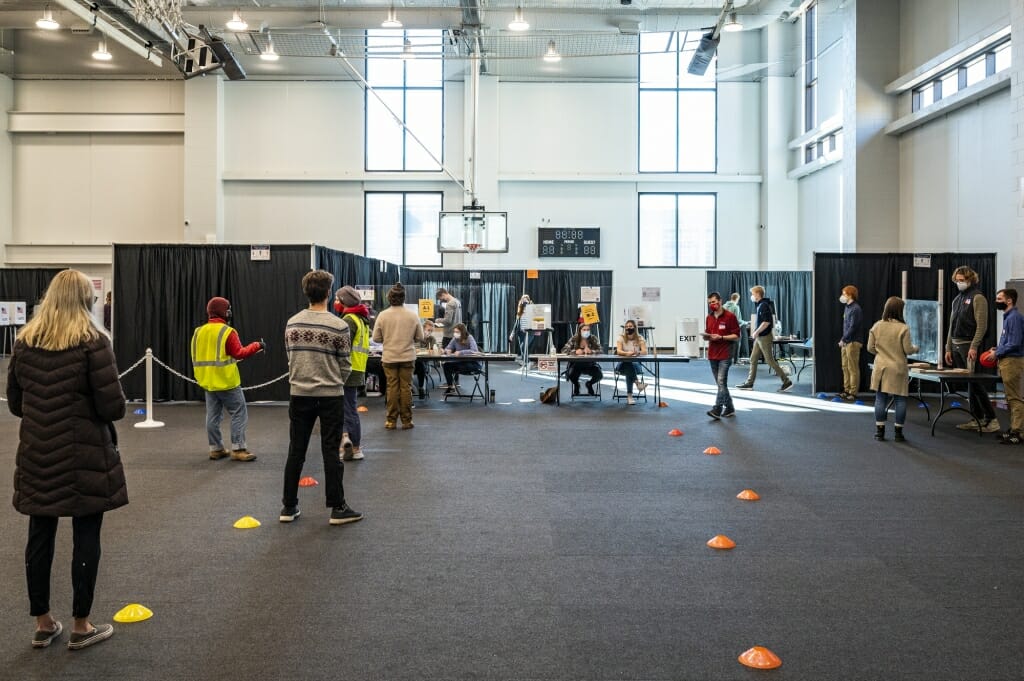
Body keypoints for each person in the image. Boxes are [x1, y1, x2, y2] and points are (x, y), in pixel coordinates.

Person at [6, 269, 127, 650]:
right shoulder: (94, 343)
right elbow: (114, 407)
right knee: (86, 535)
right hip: (85, 457)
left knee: (39, 535)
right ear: (86, 301)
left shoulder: (25, 343)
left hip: (38, 453)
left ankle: (43, 622)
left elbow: (15, 404)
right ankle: (81, 624)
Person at [281, 270, 361, 525]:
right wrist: (332, 378)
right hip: (330, 396)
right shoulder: (338, 326)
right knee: (330, 451)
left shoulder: (292, 323)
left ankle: (288, 506)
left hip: (299, 394)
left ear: (306, 292)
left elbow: (291, 357)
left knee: (296, 451)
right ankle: (337, 507)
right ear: (328, 293)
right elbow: (345, 365)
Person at [190, 296, 264, 462]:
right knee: (239, 412)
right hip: (226, 381)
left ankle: (215, 449)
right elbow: (239, 353)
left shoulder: (198, 332)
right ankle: (238, 448)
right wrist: (257, 346)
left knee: (212, 416)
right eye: (228, 308)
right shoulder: (227, 332)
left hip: (207, 381)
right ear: (225, 312)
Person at [944, 266, 999, 432]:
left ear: (970, 280)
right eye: (957, 280)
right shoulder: (957, 299)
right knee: (969, 384)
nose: (959, 283)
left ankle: (992, 419)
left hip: (968, 345)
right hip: (955, 344)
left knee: (975, 382)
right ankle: (977, 417)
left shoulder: (978, 298)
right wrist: (948, 347)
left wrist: (974, 346)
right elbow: (951, 325)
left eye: (962, 280)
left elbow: (982, 326)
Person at [867, 296, 919, 442]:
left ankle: (879, 432)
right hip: (898, 367)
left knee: (880, 399)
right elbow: (908, 350)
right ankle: (898, 433)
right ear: (900, 311)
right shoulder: (903, 328)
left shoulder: (877, 325)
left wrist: (882, 353)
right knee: (900, 400)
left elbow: (870, 348)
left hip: (881, 367)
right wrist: (917, 348)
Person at [372, 283, 424, 429]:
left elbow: (376, 338)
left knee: (392, 388)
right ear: (403, 298)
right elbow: (420, 337)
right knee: (406, 388)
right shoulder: (412, 316)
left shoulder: (382, 315)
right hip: (408, 357)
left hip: (389, 357)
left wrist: (388, 338)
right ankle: (407, 421)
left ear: (389, 298)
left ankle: (391, 420)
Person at [736, 285, 792, 393]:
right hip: (760, 337)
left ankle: (786, 381)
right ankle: (749, 383)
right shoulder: (760, 305)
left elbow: (766, 322)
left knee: (770, 361)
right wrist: (756, 333)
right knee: (753, 359)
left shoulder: (764, 305)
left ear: (757, 294)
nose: (752, 296)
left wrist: (756, 332)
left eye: (753, 294)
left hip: (764, 337)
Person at [336, 286, 370, 462]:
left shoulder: (349, 320)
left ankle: (354, 446)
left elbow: (342, 348)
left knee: (347, 408)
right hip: (358, 368)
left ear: (343, 302)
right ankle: (346, 440)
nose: (335, 302)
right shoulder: (362, 319)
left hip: (347, 368)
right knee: (347, 406)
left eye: (337, 299)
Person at [989, 288, 1023, 444]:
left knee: (1015, 398)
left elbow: (1015, 343)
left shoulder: (1014, 317)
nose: (996, 301)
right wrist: (998, 349)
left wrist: (997, 353)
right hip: (1006, 359)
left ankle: (1018, 432)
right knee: (1010, 397)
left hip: (1012, 361)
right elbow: (1009, 340)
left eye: (999, 298)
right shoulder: (1008, 317)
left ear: (1009, 300)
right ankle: (1013, 428)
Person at [704, 292, 741, 419]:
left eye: (714, 302)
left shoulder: (730, 317)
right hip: (712, 354)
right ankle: (730, 408)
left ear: (720, 301)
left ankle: (717, 409)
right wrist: (707, 336)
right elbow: (708, 333)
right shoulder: (709, 318)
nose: (712, 304)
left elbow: (736, 336)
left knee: (721, 381)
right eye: (709, 303)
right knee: (721, 384)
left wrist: (722, 337)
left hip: (725, 353)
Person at [838, 284, 864, 400]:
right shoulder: (847, 307)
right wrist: (843, 339)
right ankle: (846, 389)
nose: (842, 296)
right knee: (845, 366)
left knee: (852, 367)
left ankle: (853, 392)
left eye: (844, 294)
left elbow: (853, 327)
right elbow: (846, 326)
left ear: (850, 295)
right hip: (846, 341)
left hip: (853, 342)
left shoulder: (856, 309)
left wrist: (843, 339)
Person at [562, 323, 603, 396]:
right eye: (584, 330)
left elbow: (601, 350)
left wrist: (592, 351)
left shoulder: (593, 338)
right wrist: (575, 352)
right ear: (580, 331)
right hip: (576, 365)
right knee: (571, 375)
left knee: (599, 375)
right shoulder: (574, 339)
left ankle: (589, 384)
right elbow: (564, 350)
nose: (586, 331)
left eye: (588, 330)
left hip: (590, 365)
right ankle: (577, 385)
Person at [615, 319, 647, 405]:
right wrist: (627, 354)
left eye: (630, 326)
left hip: (636, 364)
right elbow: (618, 351)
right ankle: (637, 384)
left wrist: (638, 352)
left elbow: (645, 351)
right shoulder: (621, 337)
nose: (628, 328)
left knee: (629, 367)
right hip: (621, 364)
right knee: (628, 363)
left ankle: (630, 396)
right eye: (627, 327)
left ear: (635, 328)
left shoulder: (640, 338)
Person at [442, 322, 482, 392]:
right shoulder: (455, 339)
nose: (455, 333)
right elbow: (448, 347)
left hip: (473, 364)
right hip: (461, 363)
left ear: (462, 332)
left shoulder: (469, 338)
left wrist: (461, 352)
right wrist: (446, 350)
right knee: (446, 365)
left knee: (460, 365)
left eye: (457, 332)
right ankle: (450, 387)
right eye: (454, 332)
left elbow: (474, 350)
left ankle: (454, 383)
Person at [415, 318, 439, 399]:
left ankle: (421, 387)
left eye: (431, 331)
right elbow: (416, 349)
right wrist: (426, 350)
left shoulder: (432, 339)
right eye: (428, 330)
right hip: (413, 362)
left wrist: (434, 350)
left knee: (421, 366)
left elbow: (434, 349)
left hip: (424, 363)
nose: (429, 332)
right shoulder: (417, 337)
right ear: (423, 328)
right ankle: (413, 388)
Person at [722, 292, 747, 363]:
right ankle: (736, 360)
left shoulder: (723, 306)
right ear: (737, 299)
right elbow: (737, 320)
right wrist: (745, 322)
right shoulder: (736, 307)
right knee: (736, 344)